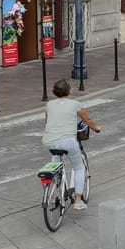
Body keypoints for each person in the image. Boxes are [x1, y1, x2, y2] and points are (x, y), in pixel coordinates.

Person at [42, 79, 100, 211]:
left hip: (49, 140)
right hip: (68, 141)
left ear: (54, 92)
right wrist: (96, 128)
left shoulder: (49, 105)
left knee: (56, 163)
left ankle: (56, 187)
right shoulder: (75, 104)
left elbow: (48, 122)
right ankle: (78, 201)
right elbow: (87, 120)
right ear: (69, 91)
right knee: (79, 167)